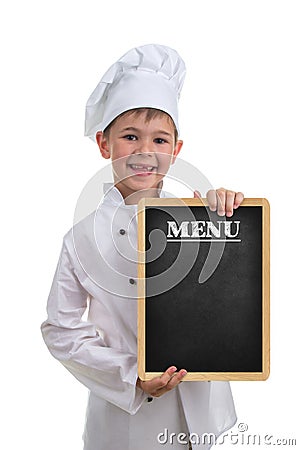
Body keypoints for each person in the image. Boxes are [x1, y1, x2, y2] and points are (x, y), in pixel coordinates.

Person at [41, 44, 244, 450]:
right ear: (104, 144)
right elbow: (60, 330)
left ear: (177, 150)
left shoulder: (202, 219)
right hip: (124, 425)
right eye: (130, 137)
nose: (145, 151)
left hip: (202, 419)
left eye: (160, 139)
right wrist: (132, 374)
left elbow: (231, 289)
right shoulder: (82, 238)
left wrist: (232, 215)